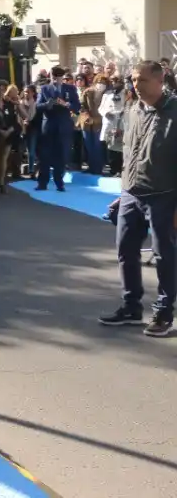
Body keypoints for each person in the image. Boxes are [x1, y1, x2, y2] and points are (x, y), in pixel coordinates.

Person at [98, 61, 177, 337]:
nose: (135, 84)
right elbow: (129, 155)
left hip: (164, 196)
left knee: (164, 256)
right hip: (132, 193)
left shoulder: (174, 111)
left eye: (142, 80)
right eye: (133, 79)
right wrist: (123, 193)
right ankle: (131, 306)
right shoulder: (133, 110)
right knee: (125, 250)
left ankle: (164, 312)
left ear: (160, 80)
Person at [36, 66, 79, 192]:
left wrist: (66, 104)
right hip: (49, 126)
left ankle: (59, 182)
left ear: (62, 77)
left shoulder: (70, 88)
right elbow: (38, 106)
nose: (55, 79)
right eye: (53, 76)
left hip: (63, 126)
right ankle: (42, 183)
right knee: (44, 156)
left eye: (58, 76)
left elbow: (76, 106)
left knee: (61, 156)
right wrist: (47, 104)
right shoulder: (44, 88)